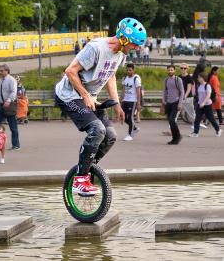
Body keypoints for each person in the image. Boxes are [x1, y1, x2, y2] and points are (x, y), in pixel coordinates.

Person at [55, 17, 147, 195]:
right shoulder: (96, 48)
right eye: (134, 44)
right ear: (124, 39)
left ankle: (87, 168)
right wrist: (85, 95)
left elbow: (110, 76)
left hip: (89, 97)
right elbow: (70, 71)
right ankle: (79, 180)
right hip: (69, 95)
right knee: (97, 130)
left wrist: (117, 104)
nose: (136, 49)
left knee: (110, 135)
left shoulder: (121, 54)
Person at [0, 64, 20, 150]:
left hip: (9, 105)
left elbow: (14, 92)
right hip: (0, 106)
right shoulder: (0, 81)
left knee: (13, 126)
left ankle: (16, 145)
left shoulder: (11, 80)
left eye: (1, 71)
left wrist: (9, 100)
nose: (0, 72)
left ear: (7, 71)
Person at [189, 72, 222, 137]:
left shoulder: (208, 85)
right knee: (197, 119)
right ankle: (196, 133)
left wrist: (203, 103)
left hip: (207, 105)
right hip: (200, 105)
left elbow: (208, 95)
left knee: (211, 119)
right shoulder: (199, 85)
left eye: (199, 77)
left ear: (203, 78)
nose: (198, 78)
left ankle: (218, 130)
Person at [162, 65, 184, 145]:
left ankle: (177, 136)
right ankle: (174, 138)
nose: (170, 71)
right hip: (168, 103)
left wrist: (180, 103)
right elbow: (165, 91)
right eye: (169, 70)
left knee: (172, 120)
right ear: (167, 71)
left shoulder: (178, 80)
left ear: (174, 71)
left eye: (171, 70)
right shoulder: (166, 80)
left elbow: (182, 92)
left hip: (176, 102)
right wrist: (163, 100)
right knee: (170, 121)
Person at [120, 63, 141, 141]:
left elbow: (138, 91)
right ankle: (134, 128)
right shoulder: (125, 78)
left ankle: (130, 134)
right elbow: (123, 90)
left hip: (133, 101)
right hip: (125, 100)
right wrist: (120, 100)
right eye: (127, 70)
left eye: (130, 70)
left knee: (130, 117)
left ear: (133, 70)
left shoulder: (136, 79)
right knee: (123, 117)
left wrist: (138, 103)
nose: (128, 71)